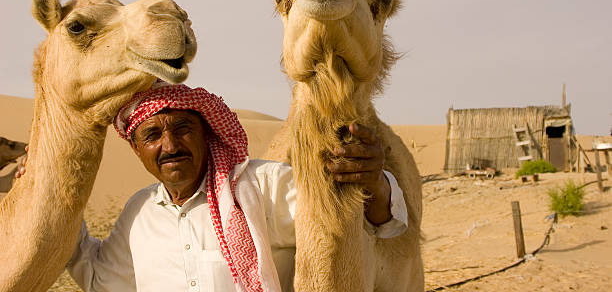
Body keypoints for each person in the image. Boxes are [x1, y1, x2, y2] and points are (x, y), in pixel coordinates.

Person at [21, 82, 408, 291]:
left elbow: (368, 222)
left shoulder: (260, 186)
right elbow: (101, 279)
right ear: (137, 149)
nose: (170, 146)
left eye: (183, 129)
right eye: (152, 135)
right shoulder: (139, 214)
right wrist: (48, 200)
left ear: (206, 134)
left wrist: (371, 181)